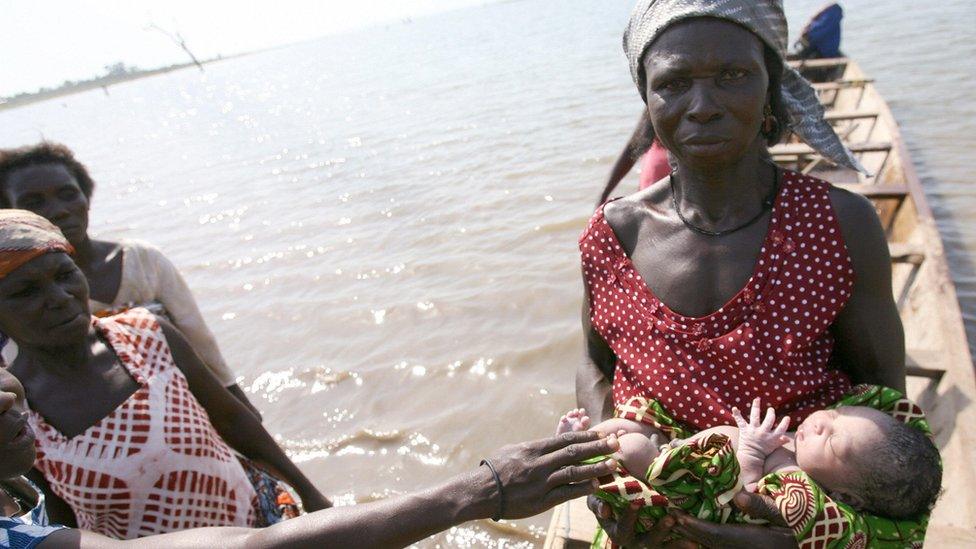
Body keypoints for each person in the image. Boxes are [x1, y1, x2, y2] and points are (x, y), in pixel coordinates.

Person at [577, 1, 902, 546]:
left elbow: (887, 398)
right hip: (655, 514)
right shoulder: (612, 235)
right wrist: (610, 457)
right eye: (674, 83)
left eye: (733, 76)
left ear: (771, 87)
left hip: (789, 513)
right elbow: (593, 361)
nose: (703, 105)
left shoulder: (840, 224)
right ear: (647, 99)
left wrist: (806, 527)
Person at [0, 366, 620, 548]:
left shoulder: (22, 532)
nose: (10, 398)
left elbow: (238, 421)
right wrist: (481, 491)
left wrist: (315, 500)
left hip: (264, 515)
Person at [0, 210, 329, 538]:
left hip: (256, 524)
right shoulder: (15, 409)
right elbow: (61, 523)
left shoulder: (148, 334)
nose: (59, 297)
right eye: (25, 292)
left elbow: (234, 422)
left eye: (65, 274)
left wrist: (313, 497)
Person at [0, 142, 259, 417]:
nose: (59, 210)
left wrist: (240, 404)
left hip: (198, 405)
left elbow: (199, 338)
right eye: (33, 202)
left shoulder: (142, 261)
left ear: (86, 197)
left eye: (68, 194)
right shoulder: (18, 299)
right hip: (105, 425)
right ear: (10, 215)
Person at [556, 396, 940, 522]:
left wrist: (753, 451)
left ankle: (580, 454)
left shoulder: (796, 478)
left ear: (847, 497)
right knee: (629, 417)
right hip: (680, 445)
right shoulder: (800, 444)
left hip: (680, 479)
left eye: (835, 444)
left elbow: (746, 495)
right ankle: (579, 441)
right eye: (838, 416)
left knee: (633, 448)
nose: (822, 423)